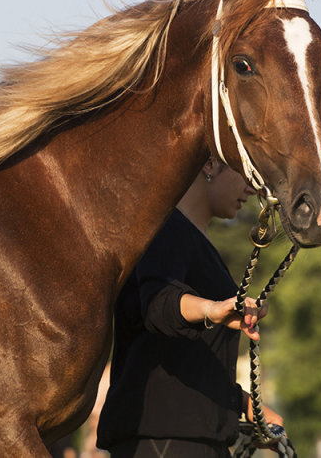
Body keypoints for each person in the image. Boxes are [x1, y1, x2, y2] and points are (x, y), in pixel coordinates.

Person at [96, 158, 284, 457]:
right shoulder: (165, 229)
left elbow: (182, 361)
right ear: (209, 165)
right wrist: (212, 309)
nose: (253, 188)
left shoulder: (192, 239)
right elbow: (160, 303)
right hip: (164, 444)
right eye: (245, 173)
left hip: (187, 442)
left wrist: (244, 404)